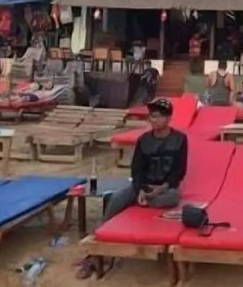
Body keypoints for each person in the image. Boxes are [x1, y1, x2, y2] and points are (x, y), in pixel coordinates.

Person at [78, 99, 187, 278]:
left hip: (165, 188)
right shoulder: (144, 140)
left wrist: (161, 188)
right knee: (116, 199)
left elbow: (179, 171)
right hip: (143, 186)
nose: (153, 120)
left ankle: (147, 200)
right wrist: (141, 189)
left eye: (157, 116)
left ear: (168, 118)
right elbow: (137, 170)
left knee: (173, 197)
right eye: (151, 116)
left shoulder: (180, 140)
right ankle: (96, 246)